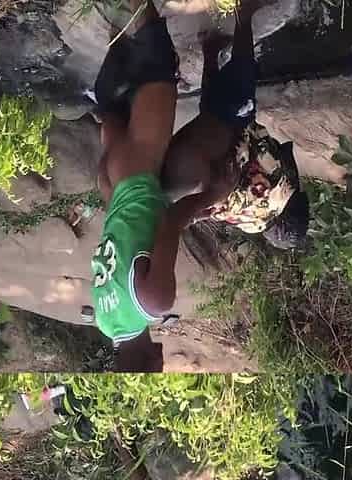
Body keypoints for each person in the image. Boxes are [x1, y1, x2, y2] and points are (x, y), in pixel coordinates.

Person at [91, 0, 234, 372]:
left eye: (160, 368)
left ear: (151, 361)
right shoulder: (105, 322)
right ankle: (116, 39)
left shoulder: (154, 303)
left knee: (159, 66)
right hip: (112, 185)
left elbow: (170, 223)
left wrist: (211, 195)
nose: (164, 363)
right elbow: (129, 242)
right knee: (113, 106)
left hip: (136, 172)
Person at [161, 1, 310, 250]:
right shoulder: (242, 222)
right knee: (212, 109)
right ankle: (210, 50)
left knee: (243, 83)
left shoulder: (278, 192)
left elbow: (265, 146)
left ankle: (245, 13)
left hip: (226, 139)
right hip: (205, 161)